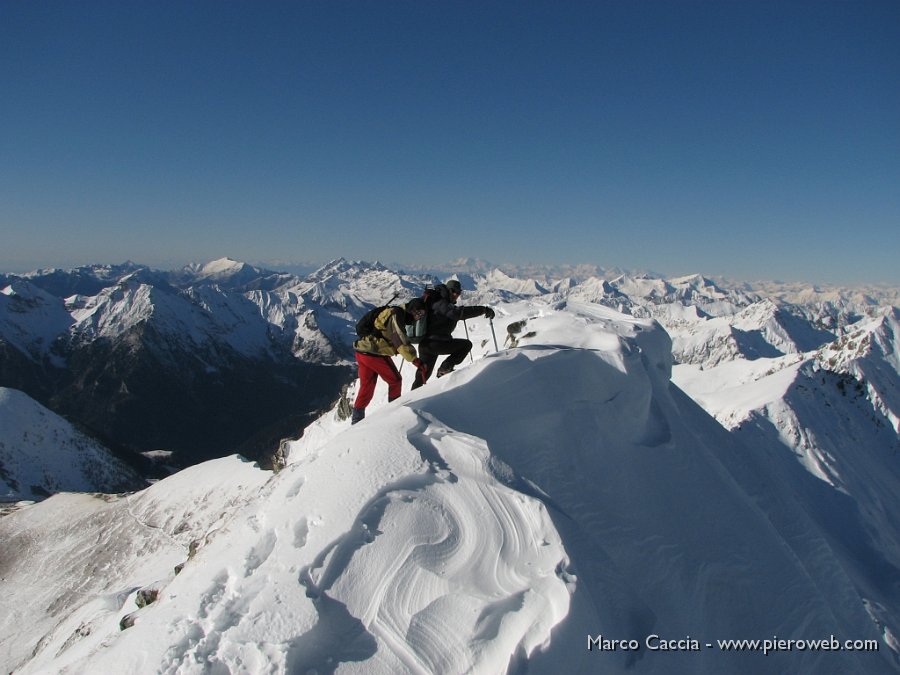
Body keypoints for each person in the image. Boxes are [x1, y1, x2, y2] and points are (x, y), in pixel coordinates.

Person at [351, 299, 428, 424]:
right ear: (411, 309)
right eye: (418, 313)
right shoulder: (396, 314)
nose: (418, 317)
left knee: (367, 386)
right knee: (395, 381)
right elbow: (400, 340)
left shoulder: (394, 312)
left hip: (362, 351)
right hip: (375, 353)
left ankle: (356, 420)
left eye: (421, 315)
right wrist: (415, 360)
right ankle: (393, 413)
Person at [411, 279, 494, 389]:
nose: (456, 294)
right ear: (447, 290)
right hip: (436, 343)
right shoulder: (441, 302)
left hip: (426, 344)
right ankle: (444, 369)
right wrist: (483, 310)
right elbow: (457, 313)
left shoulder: (437, 300)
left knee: (423, 374)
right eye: (453, 291)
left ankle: (408, 402)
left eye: (458, 292)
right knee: (466, 345)